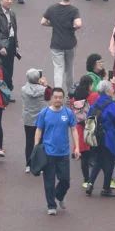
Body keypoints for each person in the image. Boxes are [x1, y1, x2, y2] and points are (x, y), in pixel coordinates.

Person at [35, 87, 80, 215]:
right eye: (56, 97)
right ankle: (51, 206)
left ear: (63, 98)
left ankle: (59, 196)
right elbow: (38, 130)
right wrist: (36, 147)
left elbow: (74, 129)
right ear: (51, 98)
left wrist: (77, 147)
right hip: (48, 152)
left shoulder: (68, 113)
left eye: (60, 97)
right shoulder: (44, 113)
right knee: (49, 181)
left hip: (63, 152)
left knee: (65, 180)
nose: (58, 100)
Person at [41, 0, 82, 94]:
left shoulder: (52, 8)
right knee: (69, 68)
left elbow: (43, 21)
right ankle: (70, 91)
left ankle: (57, 92)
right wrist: (73, 27)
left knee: (58, 68)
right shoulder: (73, 10)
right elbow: (78, 24)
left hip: (56, 44)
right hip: (69, 43)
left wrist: (53, 24)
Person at [85, 81, 115, 197]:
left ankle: (90, 183)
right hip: (109, 137)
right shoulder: (112, 105)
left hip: (96, 137)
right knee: (110, 162)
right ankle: (106, 188)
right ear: (107, 91)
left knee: (98, 161)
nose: (113, 91)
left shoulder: (95, 104)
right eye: (112, 89)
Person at [70, 75, 99, 188]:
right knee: (95, 153)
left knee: (84, 157)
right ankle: (92, 179)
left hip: (80, 128)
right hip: (91, 126)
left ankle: (86, 179)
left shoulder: (75, 98)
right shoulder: (93, 96)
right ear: (89, 85)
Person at [21, 69, 52, 171]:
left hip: (28, 119)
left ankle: (28, 165)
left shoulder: (23, 89)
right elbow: (49, 96)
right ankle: (40, 164)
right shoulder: (44, 90)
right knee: (41, 141)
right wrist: (45, 85)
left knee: (29, 142)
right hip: (41, 119)